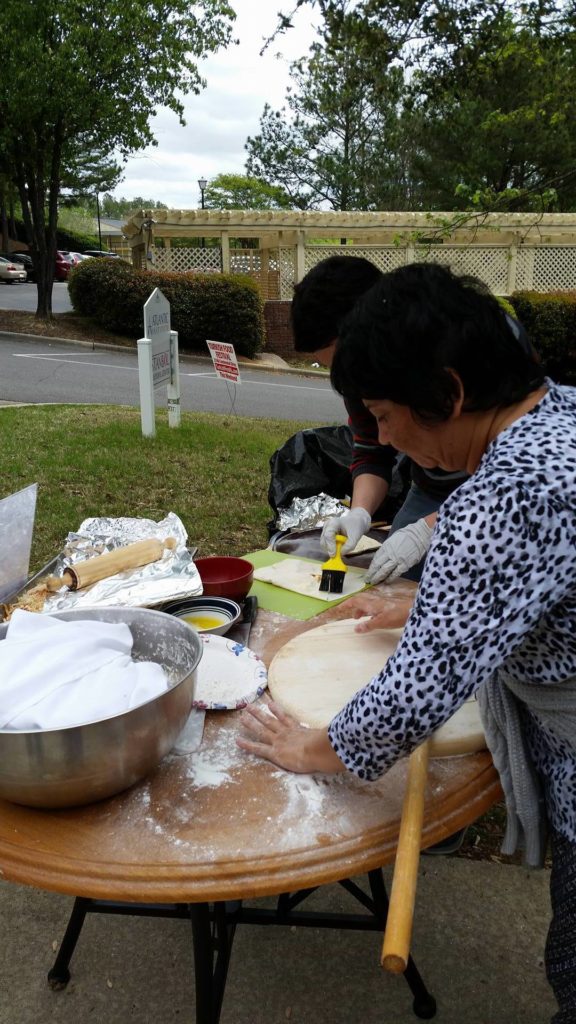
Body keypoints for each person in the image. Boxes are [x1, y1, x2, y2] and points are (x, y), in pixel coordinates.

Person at [240, 262, 576, 1023]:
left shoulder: (505, 496)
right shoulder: (562, 413)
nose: (381, 437)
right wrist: (436, 594)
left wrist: (314, 747)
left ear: (450, 392)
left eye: (385, 414)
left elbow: (413, 695)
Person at [291, 255, 532, 585]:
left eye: (385, 415)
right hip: (440, 488)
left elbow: (511, 481)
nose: (385, 435)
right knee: (397, 579)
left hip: (498, 482)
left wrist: (436, 528)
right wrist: (360, 512)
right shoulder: (363, 372)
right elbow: (373, 450)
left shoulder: (487, 342)